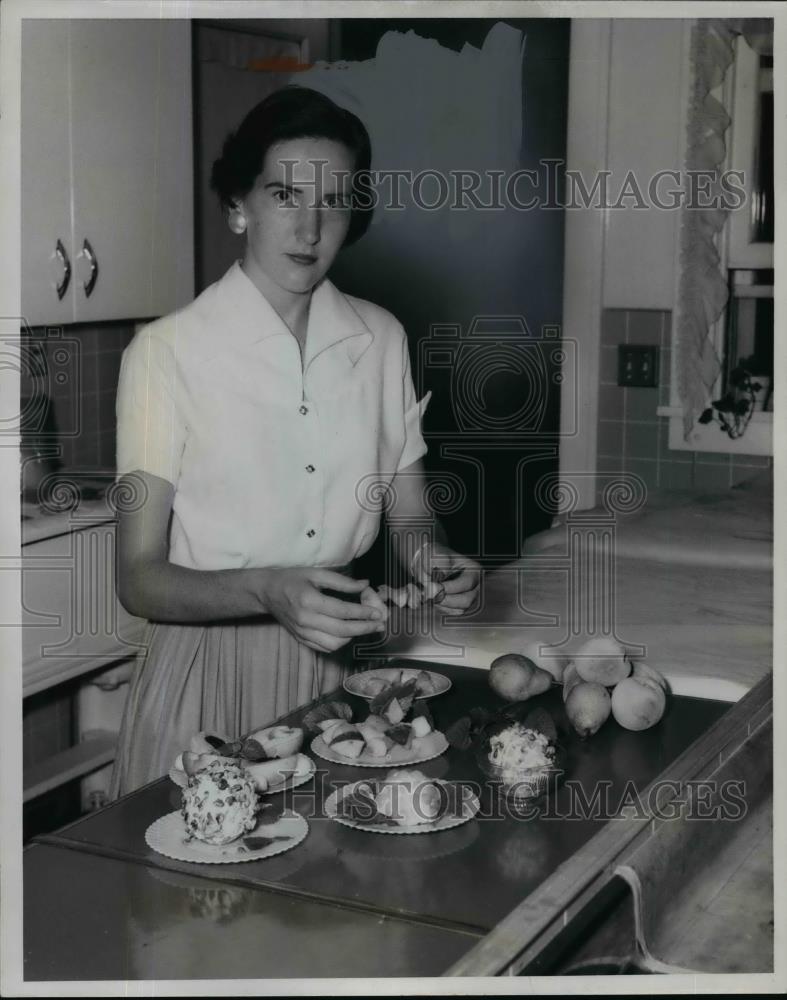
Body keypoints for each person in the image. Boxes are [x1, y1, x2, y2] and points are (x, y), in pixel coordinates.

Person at [109, 87, 479, 797]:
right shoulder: (166, 354)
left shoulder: (380, 338)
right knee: (198, 900)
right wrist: (266, 589)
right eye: (285, 194)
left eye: (333, 201)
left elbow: (408, 516)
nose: (309, 227)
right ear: (238, 205)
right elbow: (138, 575)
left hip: (341, 672)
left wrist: (436, 561)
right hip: (208, 672)